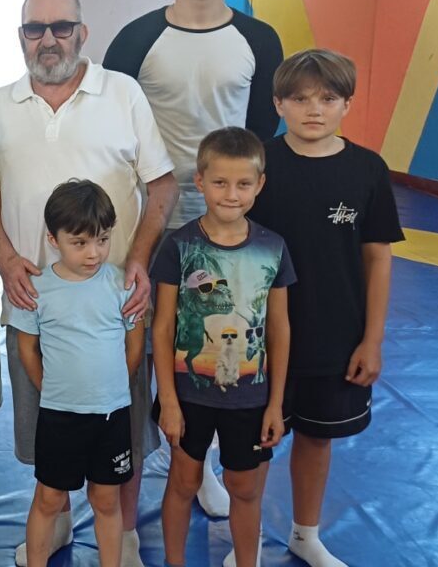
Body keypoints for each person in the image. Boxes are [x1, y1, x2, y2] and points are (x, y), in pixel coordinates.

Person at [0, 0, 177, 567]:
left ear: (82, 33)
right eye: (35, 29)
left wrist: (137, 259)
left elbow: (162, 185)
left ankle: (126, 536)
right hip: (34, 300)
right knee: (46, 425)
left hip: (113, 305)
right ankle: (57, 520)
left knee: (123, 429)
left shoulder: (122, 93)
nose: (48, 40)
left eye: (61, 27)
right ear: (20, 38)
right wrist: (4, 257)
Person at [104, 0, 285, 519]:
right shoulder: (137, 38)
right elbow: (114, 122)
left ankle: (199, 461)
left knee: (211, 333)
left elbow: (260, 130)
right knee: (151, 331)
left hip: (226, 214)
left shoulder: (259, 40)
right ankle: (139, 452)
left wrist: (234, 197)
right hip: (152, 213)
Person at [247, 49, 404, 567]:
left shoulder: (367, 170)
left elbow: (377, 257)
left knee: (317, 438)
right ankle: (247, 541)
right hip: (258, 337)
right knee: (254, 442)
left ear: (347, 104)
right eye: (299, 99)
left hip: (336, 336)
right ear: (278, 104)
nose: (314, 109)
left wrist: (372, 339)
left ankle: (304, 534)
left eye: (328, 98)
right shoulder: (258, 165)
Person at [150, 127, 293, 567]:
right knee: (183, 482)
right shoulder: (179, 247)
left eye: (243, 184)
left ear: (259, 184)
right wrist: (168, 400)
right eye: (220, 182)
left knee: (245, 489)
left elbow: (279, 329)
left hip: (250, 397)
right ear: (200, 181)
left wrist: (275, 404)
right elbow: (163, 327)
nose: (231, 194)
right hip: (190, 395)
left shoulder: (272, 248)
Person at [15, 180, 144, 567]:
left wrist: (111, 388)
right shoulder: (37, 289)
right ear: (53, 240)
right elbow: (27, 349)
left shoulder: (121, 284)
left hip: (111, 414)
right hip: (59, 416)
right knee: (49, 498)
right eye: (80, 242)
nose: (94, 253)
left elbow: (134, 345)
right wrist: (52, 390)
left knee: (106, 499)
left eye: (102, 240)